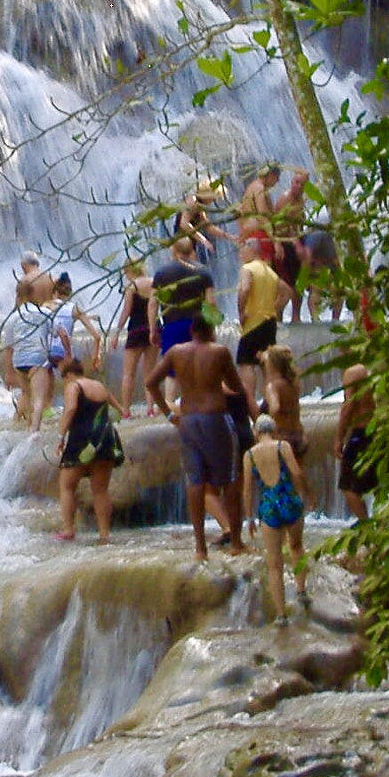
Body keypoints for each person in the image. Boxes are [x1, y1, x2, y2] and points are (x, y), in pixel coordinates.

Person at [145, 317, 248, 560]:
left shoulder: (175, 352)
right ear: (211, 330)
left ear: (191, 330)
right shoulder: (219, 352)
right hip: (215, 418)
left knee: (195, 482)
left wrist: (170, 414)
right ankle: (235, 542)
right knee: (231, 480)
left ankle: (200, 548)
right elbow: (236, 386)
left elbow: (150, 383)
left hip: (188, 420)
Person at [242, 415, 308, 621]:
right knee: (296, 546)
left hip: (268, 508)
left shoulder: (249, 455)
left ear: (256, 433)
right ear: (274, 429)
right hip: (289, 501)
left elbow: (247, 489)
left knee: (274, 563)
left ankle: (281, 615)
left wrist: (250, 518)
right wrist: (305, 494)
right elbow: (296, 472)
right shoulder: (283, 447)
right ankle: (301, 590)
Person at [53, 356, 124, 544]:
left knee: (67, 485)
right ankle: (104, 533)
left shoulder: (74, 387)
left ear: (68, 375)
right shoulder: (99, 385)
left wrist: (60, 436)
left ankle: (68, 530)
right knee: (100, 490)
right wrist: (122, 411)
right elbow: (117, 407)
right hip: (105, 438)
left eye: (63, 378)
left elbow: (70, 409)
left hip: (82, 438)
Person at [234, 239, 284, 403]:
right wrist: (274, 308)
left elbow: (245, 288)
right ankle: (271, 400)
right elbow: (287, 293)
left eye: (243, 248)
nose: (240, 253)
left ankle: (249, 400)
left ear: (251, 250)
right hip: (270, 322)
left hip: (253, 322)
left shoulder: (247, 269)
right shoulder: (271, 272)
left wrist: (241, 312)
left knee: (246, 363)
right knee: (266, 363)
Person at [107, 259, 157, 416]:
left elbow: (127, 310)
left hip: (136, 329)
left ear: (129, 270)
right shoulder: (155, 282)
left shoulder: (132, 286)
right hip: (154, 328)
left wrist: (117, 330)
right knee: (150, 372)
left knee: (129, 373)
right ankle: (150, 409)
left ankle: (126, 410)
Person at [8, 295, 63, 430]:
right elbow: (59, 332)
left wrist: (9, 371)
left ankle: (15, 425)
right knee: (38, 399)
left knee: (26, 394)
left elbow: (8, 345)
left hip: (18, 361)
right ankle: (34, 433)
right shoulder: (45, 313)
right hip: (37, 359)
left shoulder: (13, 317)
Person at [151, 237, 211, 355]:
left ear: (173, 250)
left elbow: (153, 303)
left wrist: (153, 329)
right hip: (198, 327)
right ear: (192, 250)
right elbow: (211, 302)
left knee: (172, 368)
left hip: (172, 326)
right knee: (198, 367)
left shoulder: (162, 273)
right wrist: (211, 327)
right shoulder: (203, 272)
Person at [336, 363, 376, 522]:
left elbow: (349, 406)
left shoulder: (353, 373)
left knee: (348, 485)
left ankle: (366, 527)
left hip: (362, 432)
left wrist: (339, 438)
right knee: (378, 481)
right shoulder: (381, 366)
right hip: (382, 429)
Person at [48, 273, 103, 371]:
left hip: (47, 350)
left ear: (55, 292)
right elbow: (97, 337)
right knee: (69, 380)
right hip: (64, 351)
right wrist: (96, 356)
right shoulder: (75, 309)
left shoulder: (45, 306)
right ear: (70, 293)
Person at [236, 164, 282, 266]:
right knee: (265, 272)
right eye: (277, 177)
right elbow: (263, 215)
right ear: (270, 175)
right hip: (260, 237)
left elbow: (238, 211)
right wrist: (276, 241)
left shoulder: (251, 187)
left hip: (249, 237)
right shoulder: (259, 188)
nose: (278, 181)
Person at [296, 228, 343, 322]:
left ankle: (334, 318)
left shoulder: (330, 242)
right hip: (318, 266)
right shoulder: (315, 238)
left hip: (328, 265)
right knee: (316, 289)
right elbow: (307, 257)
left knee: (337, 291)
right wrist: (304, 279)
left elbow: (338, 262)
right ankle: (316, 317)